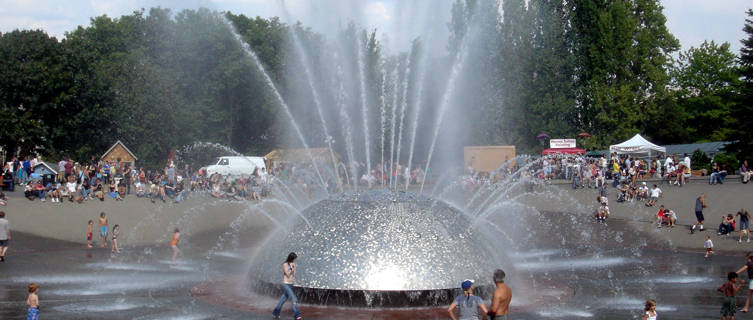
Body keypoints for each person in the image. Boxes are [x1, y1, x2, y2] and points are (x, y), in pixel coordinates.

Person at [273, 252, 302, 320]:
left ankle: (275, 313)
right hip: (285, 284)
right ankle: (297, 315)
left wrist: (294, 268)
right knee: (294, 298)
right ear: (291, 258)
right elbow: (288, 274)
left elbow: (294, 275)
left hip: (291, 284)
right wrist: (291, 268)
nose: (295, 260)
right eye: (294, 259)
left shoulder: (294, 264)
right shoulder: (285, 264)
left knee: (282, 300)